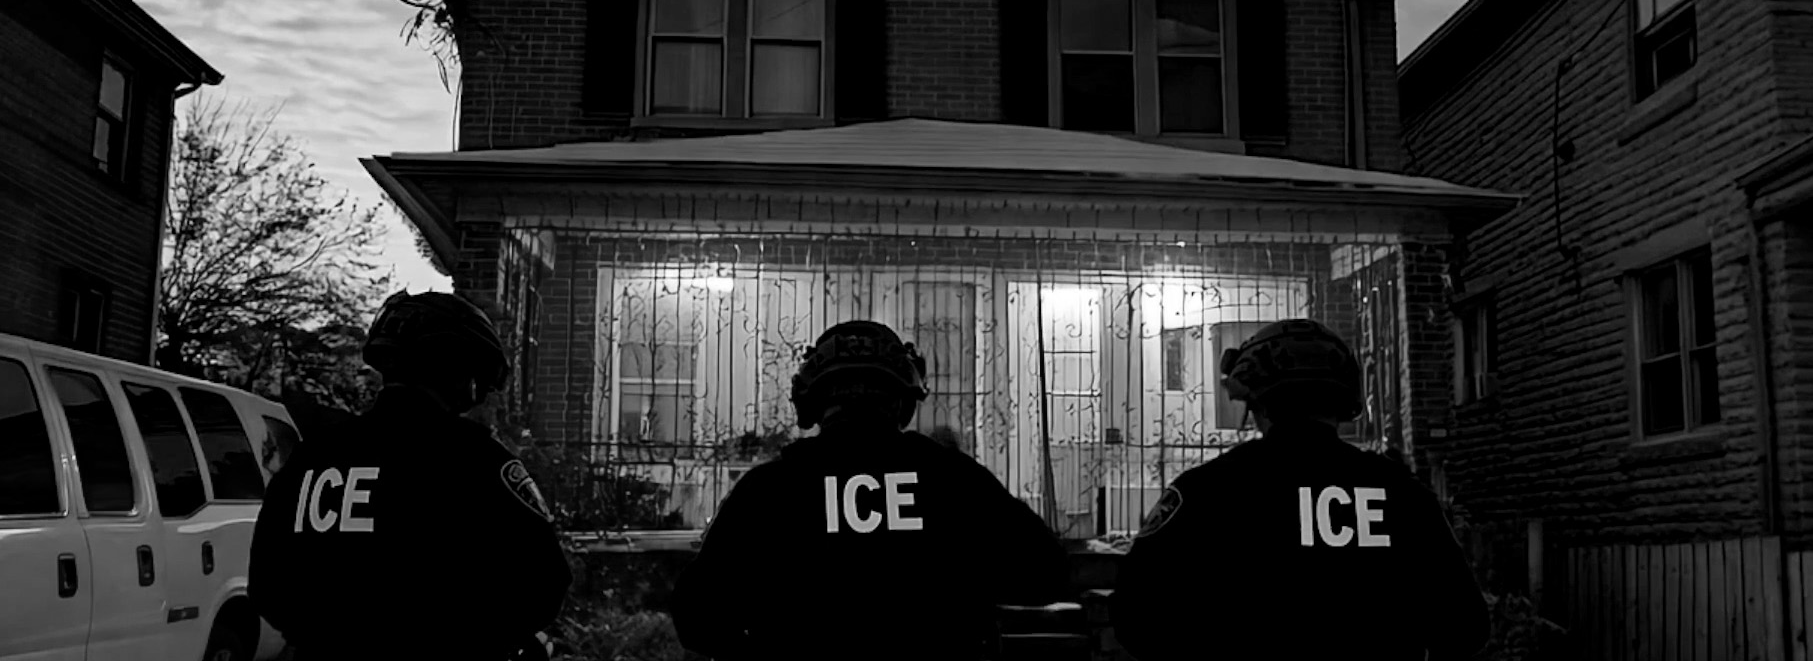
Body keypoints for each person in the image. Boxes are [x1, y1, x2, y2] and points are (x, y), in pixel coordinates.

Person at [671, 320, 1071, 661]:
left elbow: (697, 617)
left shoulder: (770, 489)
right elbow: (1046, 574)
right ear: (904, 400)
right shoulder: (955, 480)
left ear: (811, 401)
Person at [1108, 318, 1490, 661]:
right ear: (1343, 401)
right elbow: (1465, 629)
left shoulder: (1207, 490)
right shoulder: (1402, 494)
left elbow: (1135, 618)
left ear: (1255, 401)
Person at [249, 291, 574, 661]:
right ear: (458, 373)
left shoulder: (314, 458)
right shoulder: (474, 461)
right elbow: (543, 584)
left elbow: (266, 583)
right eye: (477, 378)